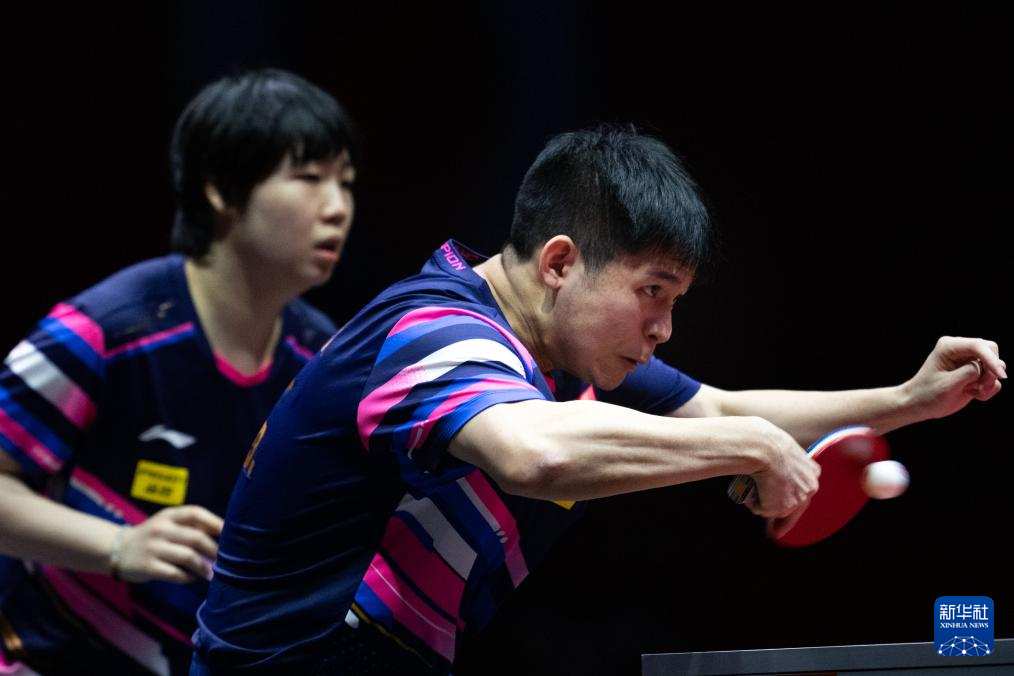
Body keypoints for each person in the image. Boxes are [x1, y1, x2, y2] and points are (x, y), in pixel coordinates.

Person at [189, 127, 1003, 675]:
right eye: (652, 291)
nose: (664, 328)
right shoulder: (435, 330)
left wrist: (907, 400)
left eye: (675, 301)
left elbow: (718, 411)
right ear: (558, 263)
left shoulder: (560, 358)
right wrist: (755, 449)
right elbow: (535, 453)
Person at [0, 69, 359, 675]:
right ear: (220, 189)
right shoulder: (104, 332)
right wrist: (119, 545)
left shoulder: (322, 358)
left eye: (346, 183)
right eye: (308, 179)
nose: (337, 208)